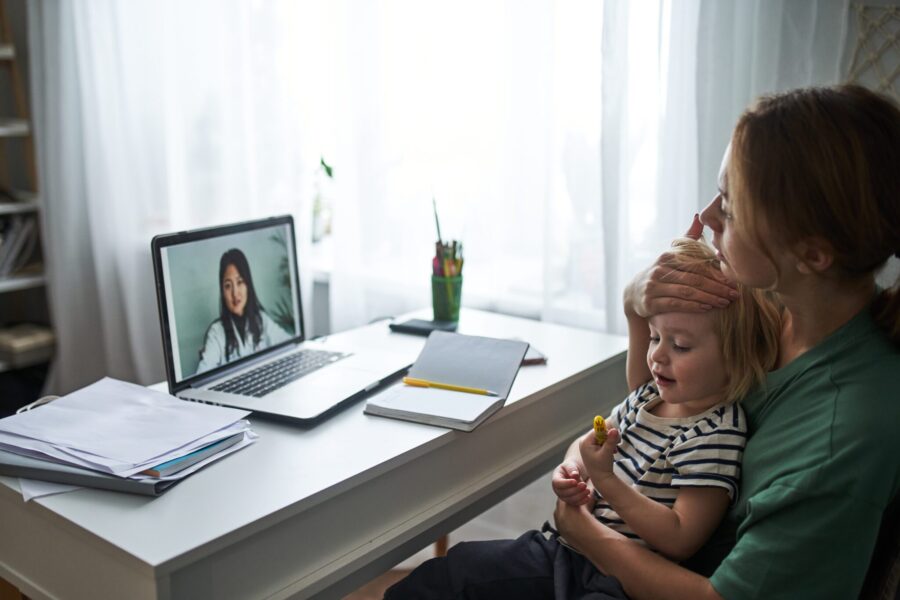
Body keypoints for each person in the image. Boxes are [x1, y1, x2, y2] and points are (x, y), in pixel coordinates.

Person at [550, 84, 900, 599]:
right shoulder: (767, 303)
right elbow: (668, 405)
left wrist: (586, 532)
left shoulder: (843, 431)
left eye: (732, 209)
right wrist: (635, 304)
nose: (709, 214)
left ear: (813, 254)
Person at [385, 236, 781, 599]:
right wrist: (573, 468)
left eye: (679, 345)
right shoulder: (647, 395)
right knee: (455, 571)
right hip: (563, 551)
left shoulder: (717, 433)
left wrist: (606, 479)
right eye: (656, 336)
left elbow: (680, 538)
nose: (657, 354)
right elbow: (590, 444)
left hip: (618, 584)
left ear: (735, 354)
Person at [196, 248, 292, 373]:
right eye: (228, 286)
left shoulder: (261, 321)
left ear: (248, 285)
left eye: (240, 282)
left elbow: (290, 345)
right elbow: (202, 374)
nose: (235, 293)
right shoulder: (216, 333)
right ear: (222, 291)